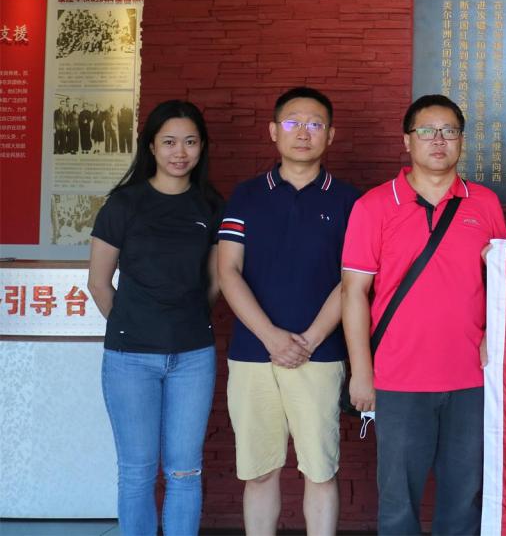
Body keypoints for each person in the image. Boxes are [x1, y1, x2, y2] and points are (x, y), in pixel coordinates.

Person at [342, 94, 506, 535]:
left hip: (472, 378)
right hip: (398, 378)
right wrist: (361, 372)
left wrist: (493, 336)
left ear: (461, 140)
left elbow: (503, 284)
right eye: (427, 131)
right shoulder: (374, 205)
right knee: (398, 501)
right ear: (407, 140)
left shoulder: (484, 203)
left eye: (449, 131)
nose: (438, 140)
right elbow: (354, 292)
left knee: (465, 498)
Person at [216, 87, 360, 536]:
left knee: (320, 470)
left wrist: (310, 340)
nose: (303, 133)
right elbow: (228, 271)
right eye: (293, 122)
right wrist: (271, 337)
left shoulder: (349, 200)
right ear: (274, 131)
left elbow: (353, 281)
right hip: (253, 354)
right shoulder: (247, 195)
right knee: (259, 471)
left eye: (315, 124)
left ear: (330, 135)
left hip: (321, 354)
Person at [87, 100, 222, 536]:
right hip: (130, 359)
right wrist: (134, 325)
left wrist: (184, 321)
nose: (179, 152)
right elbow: (99, 283)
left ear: (202, 147)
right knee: (137, 472)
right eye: (169, 142)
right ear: (151, 146)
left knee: (185, 471)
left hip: (193, 357)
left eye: (190, 142)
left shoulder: (210, 205)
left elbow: (216, 282)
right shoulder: (124, 204)